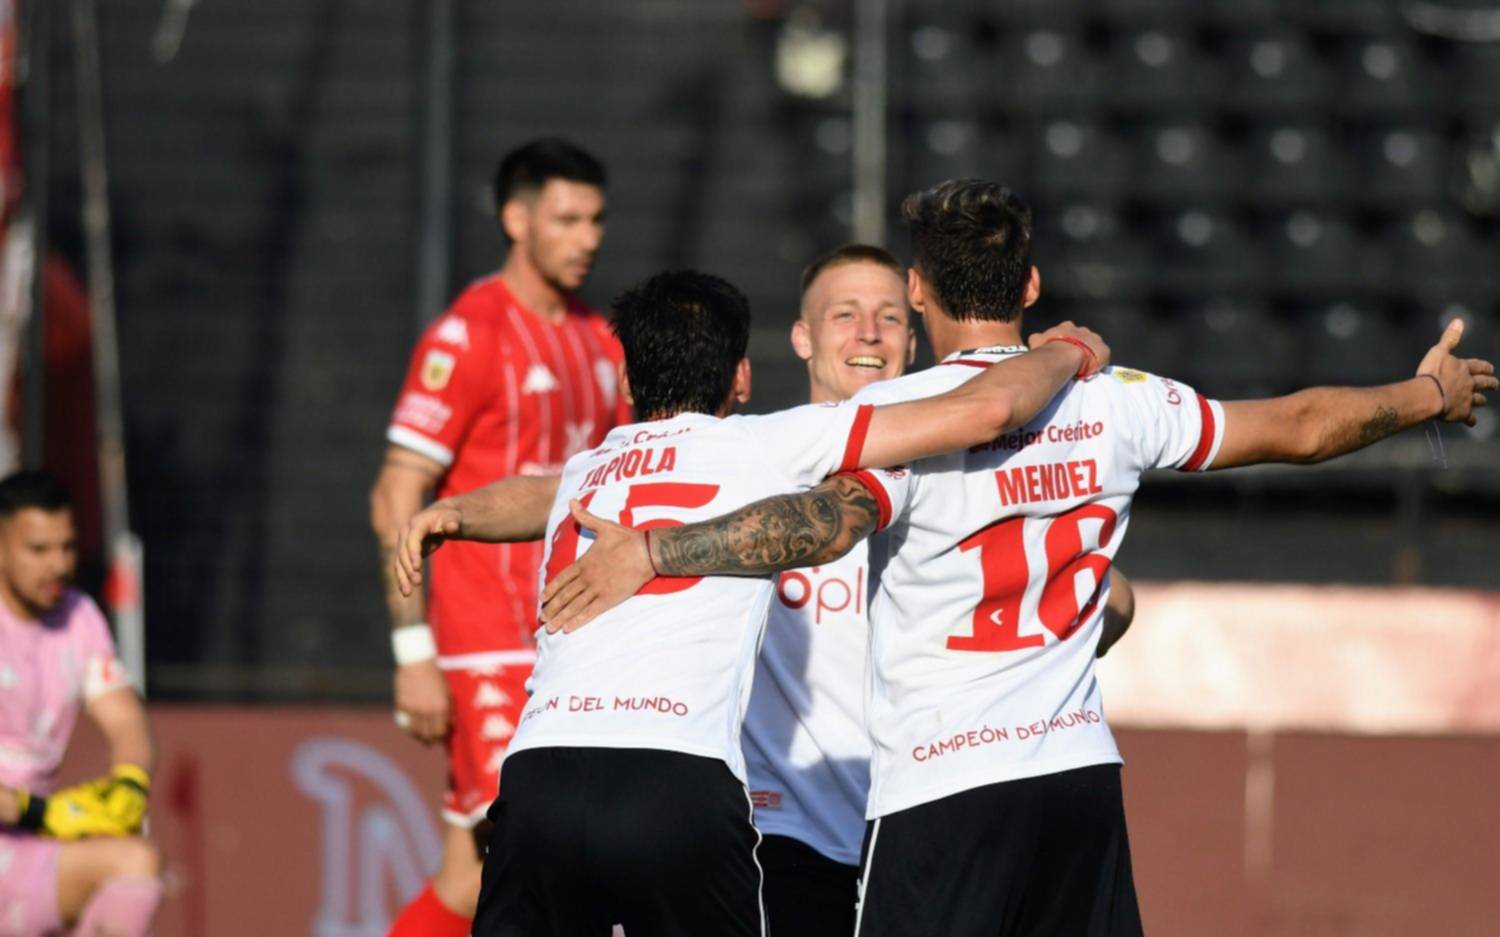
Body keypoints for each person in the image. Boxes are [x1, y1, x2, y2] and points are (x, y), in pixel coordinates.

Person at [538, 180, 1497, 937]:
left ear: (918, 292)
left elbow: (822, 525)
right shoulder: (1120, 396)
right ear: (1030, 287)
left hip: (942, 788)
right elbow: (1300, 425)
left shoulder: (902, 420)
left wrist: (661, 550)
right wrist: (1426, 396)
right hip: (1077, 779)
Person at [391, 268, 1110, 935]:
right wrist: (1065, 352)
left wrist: (454, 511)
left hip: (538, 777)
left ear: (626, 377)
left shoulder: (591, 468)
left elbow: (536, 494)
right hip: (674, 776)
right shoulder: (768, 444)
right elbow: (987, 409)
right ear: (741, 376)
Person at [754, 242, 1139, 934]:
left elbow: (1115, 597)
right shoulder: (759, 469)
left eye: (889, 317)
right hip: (789, 837)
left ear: (915, 336)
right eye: (844, 315)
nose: (869, 334)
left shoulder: (952, 475)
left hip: (928, 817)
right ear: (802, 338)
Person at [370, 139, 630, 937]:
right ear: (516, 219)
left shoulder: (600, 338)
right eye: (567, 219)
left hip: (568, 635)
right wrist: (413, 652)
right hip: (483, 636)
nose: (587, 238)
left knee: (468, 876)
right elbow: (397, 490)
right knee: (534, 855)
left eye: (596, 220)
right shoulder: (469, 334)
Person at [0, 471, 162, 937]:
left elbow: (125, 719)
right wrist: (41, 812)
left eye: (67, 547)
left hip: (25, 855)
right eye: (38, 550)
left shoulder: (79, 617)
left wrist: (130, 782)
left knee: (135, 863)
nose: (58, 565)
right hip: (30, 823)